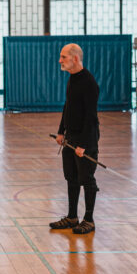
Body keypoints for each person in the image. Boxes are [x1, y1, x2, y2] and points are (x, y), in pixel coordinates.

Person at [50, 43, 100, 235]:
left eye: (63, 57)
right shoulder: (72, 79)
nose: (60, 60)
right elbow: (68, 107)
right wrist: (61, 131)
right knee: (71, 177)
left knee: (86, 178)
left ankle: (89, 219)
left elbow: (91, 117)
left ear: (75, 59)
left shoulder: (89, 83)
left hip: (85, 139)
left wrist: (83, 145)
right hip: (70, 136)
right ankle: (72, 216)